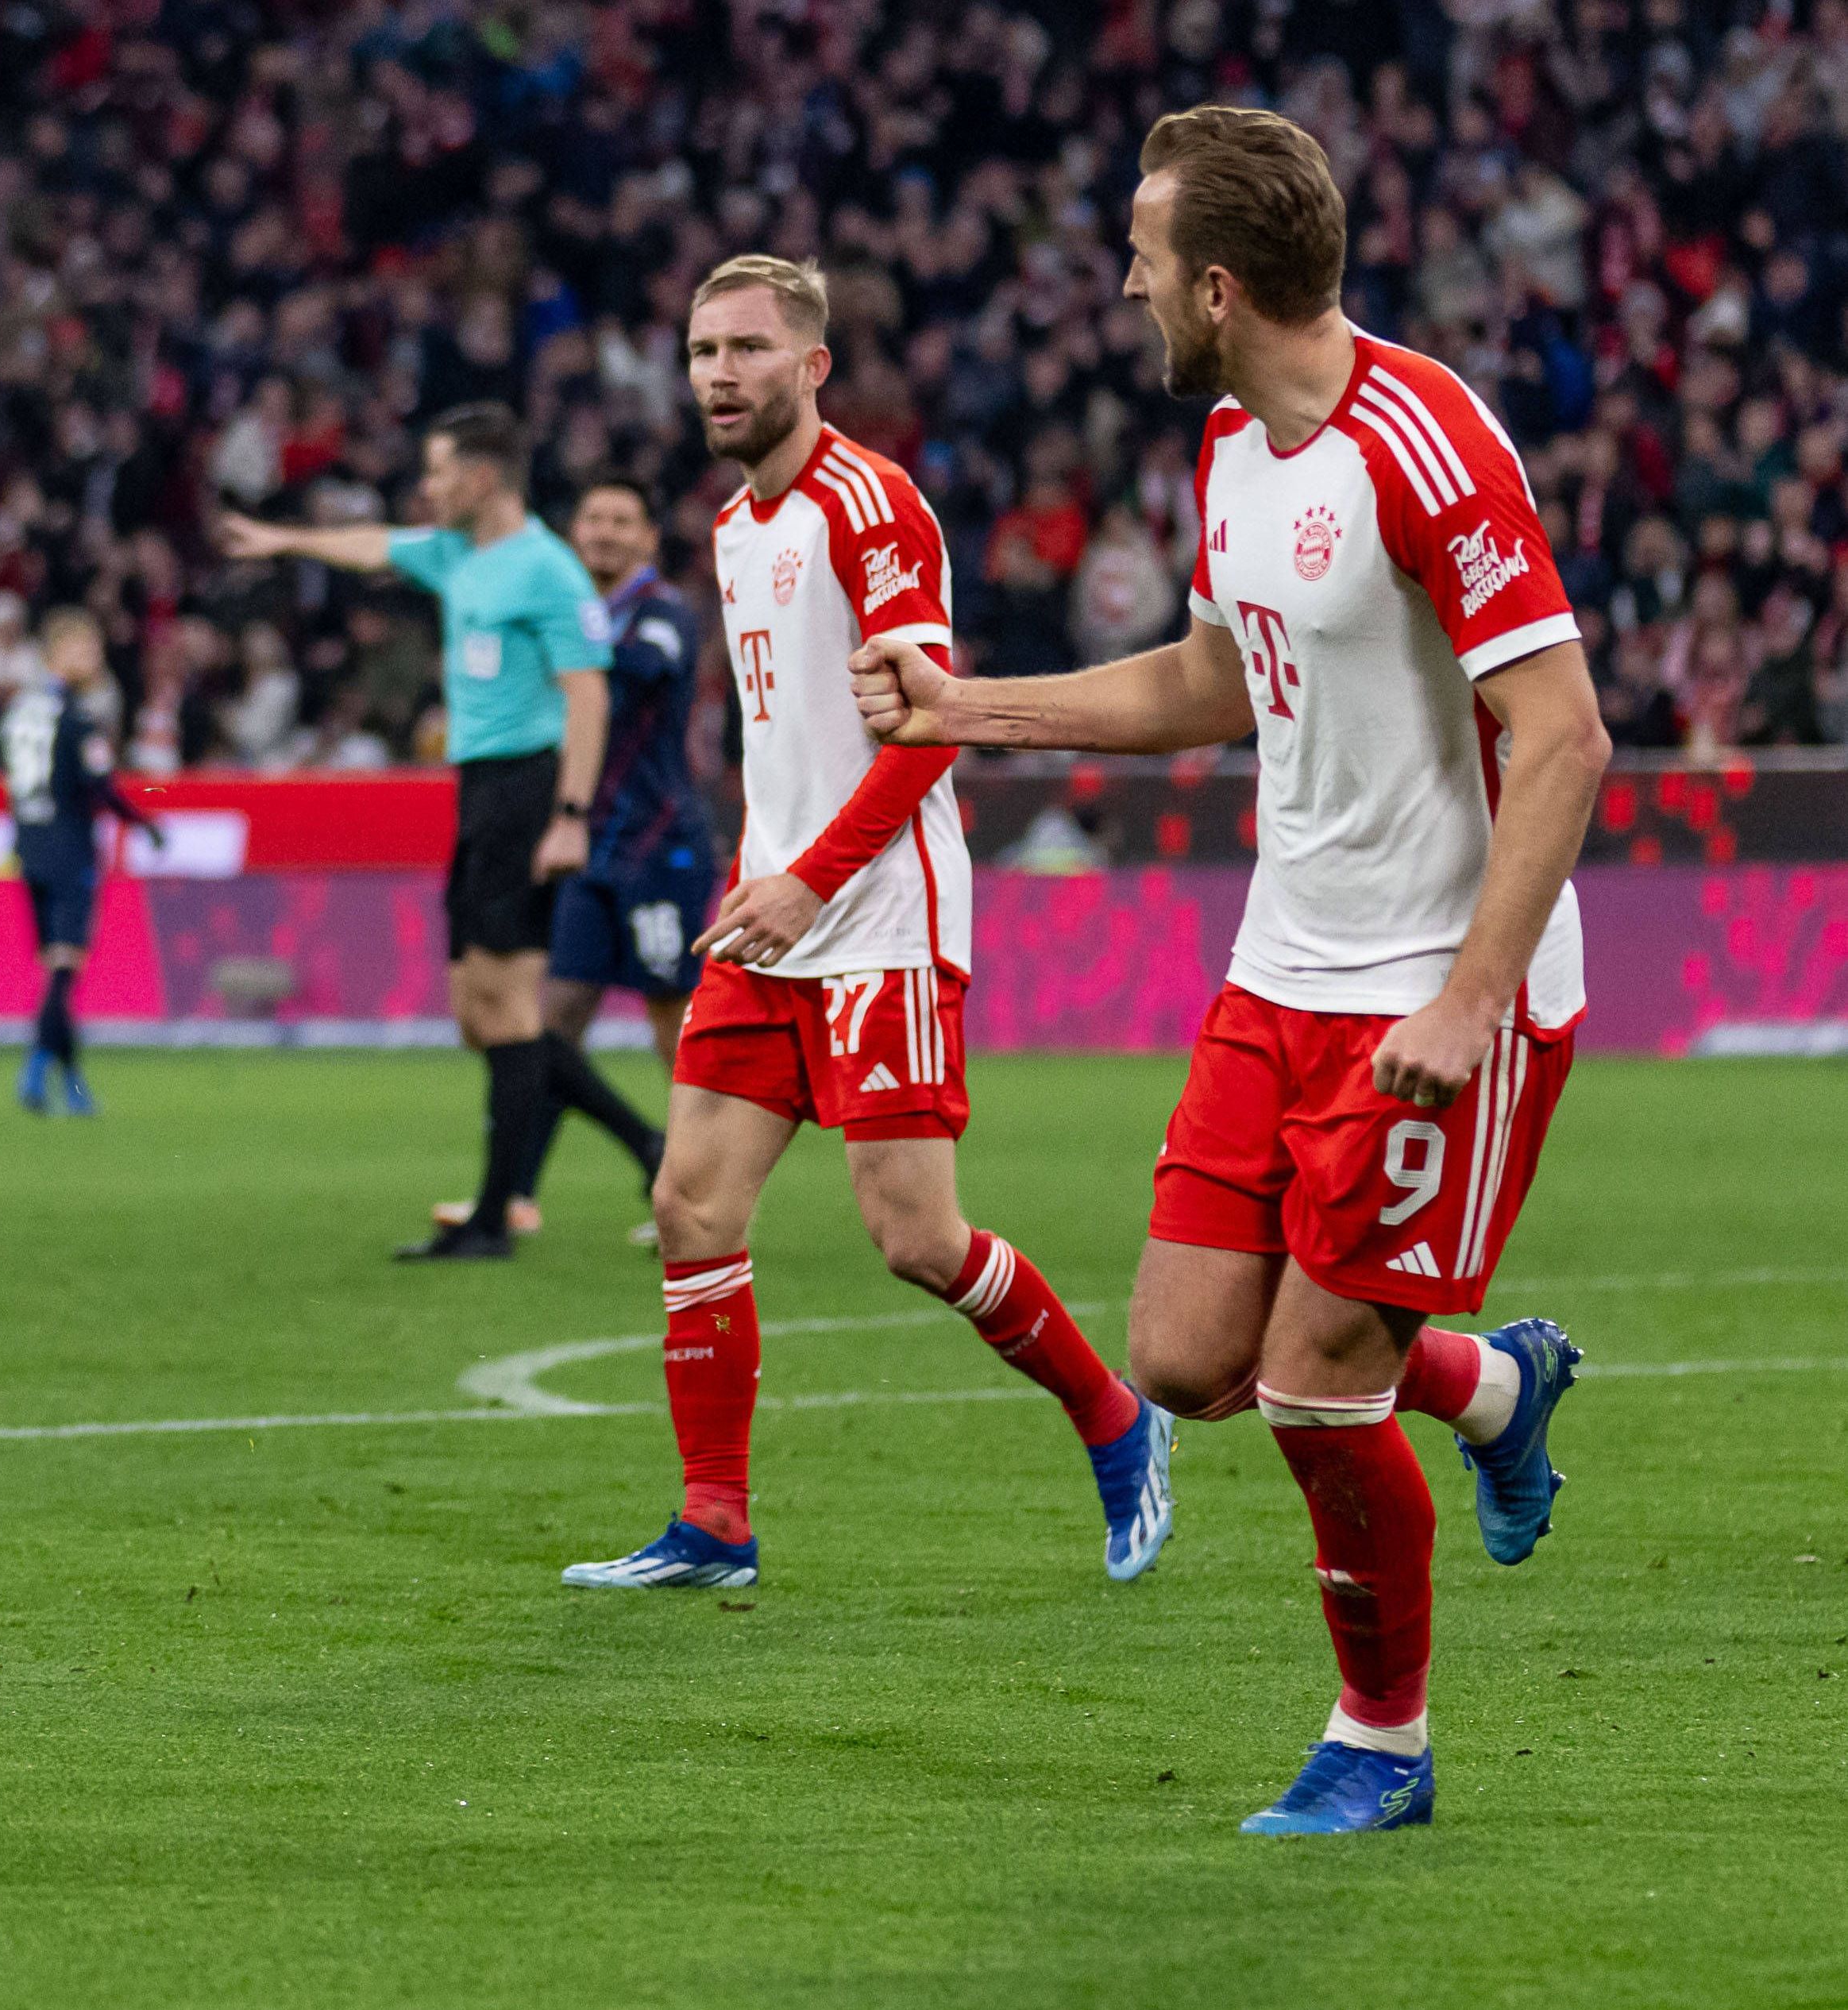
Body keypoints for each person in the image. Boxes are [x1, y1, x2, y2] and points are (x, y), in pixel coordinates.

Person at [850, 108, 1603, 1835]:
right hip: (1282, 967)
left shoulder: (1427, 448)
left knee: (1317, 1378)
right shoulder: (1230, 451)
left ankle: (1383, 1739)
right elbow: (1215, 683)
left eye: (1137, 253)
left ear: (1214, 280)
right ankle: (1495, 1383)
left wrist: (1469, 998)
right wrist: (969, 706)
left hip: (1438, 985)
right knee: (1191, 1355)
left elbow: (1564, 741)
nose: (1120, 283)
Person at [563, 256, 1174, 1595]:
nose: (720, 373)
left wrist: (812, 881)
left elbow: (927, 729)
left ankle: (1117, 1416)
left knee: (915, 1238)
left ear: (812, 365)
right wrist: (758, 871)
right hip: (773, 908)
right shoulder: (733, 530)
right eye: (701, 350)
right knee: (690, 1201)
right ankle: (714, 1524)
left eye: (747, 349)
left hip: (881, 913)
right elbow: (785, 746)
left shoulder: (871, 505)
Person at [217, 404, 612, 1261]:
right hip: (478, 789)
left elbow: (588, 695)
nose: (425, 488)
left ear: (481, 476)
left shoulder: (548, 570)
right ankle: (638, 1143)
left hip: (526, 787)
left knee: (505, 1008)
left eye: (437, 472)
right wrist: (283, 541)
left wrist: (571, 817)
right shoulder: (456, 553)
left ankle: (492, 1220)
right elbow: (372, 544)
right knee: (479, 1010)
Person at [430, 476, 704, 1242]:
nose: (607, 533)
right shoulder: (570, 611)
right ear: (573, 533)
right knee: (549, 1020)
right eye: (594, 519)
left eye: (624, 521)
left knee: (671, 1023)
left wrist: (546, 639)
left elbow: (635, 673)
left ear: (650, 539)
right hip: (583, 848)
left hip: (659, 849)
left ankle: (693, 1188)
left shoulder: (662, 614)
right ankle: (515, 1191)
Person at [0, 606, 162, 1114]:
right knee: (64, 969)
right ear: (59, 653)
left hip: (28, 849)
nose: (95, 657)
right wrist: (146, 824)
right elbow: (101, 787)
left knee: (56, 969)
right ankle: (34, 1068)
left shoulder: (16, 710)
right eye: (86, 647)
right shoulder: (77, 717)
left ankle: (74, 1087)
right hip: (71, 849)